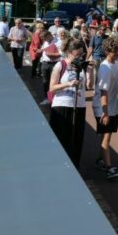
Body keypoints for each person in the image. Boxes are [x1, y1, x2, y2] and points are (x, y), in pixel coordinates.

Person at [49, 39, 89, 168]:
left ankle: (75, 167)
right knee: (62, 138)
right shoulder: (60, 65)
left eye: (82, 54)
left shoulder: (82, 67)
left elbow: (88, 86)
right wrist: (68, 84)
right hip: (62, 105)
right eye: (77, 55)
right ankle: (59, 166)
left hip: (79, 106)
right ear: (70, 53)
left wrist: (91, 71)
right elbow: (52, 87)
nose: (80, 57)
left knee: (77, 139)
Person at [93, 36, 118, 180]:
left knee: (106, 135)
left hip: (112, 106)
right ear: (107, 51)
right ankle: (109, 168)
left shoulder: (115, 64)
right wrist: (104, 113)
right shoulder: (105, 69)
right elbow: (103, 92)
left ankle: (101, 160)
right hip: (104, 108)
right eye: (115, 51)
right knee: (106, 136)